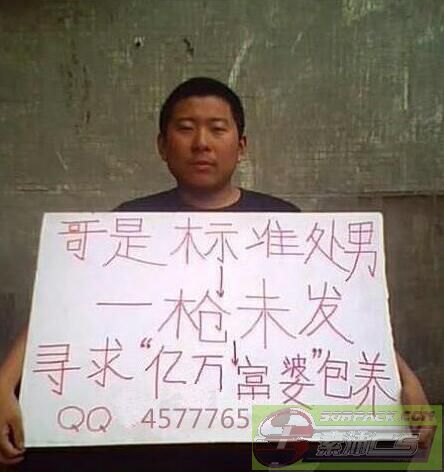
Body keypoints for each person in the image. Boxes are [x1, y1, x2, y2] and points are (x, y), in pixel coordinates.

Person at [0, 77, 431, 468]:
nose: (201, 143)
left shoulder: (284, 223)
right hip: (157, 434)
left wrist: (404, 379)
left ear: (240, 145)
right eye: (186, 128)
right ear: (162, 145)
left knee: (378, 458)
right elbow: (64, 310)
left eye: (217, 129)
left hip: (255, 439)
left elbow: (332, 318)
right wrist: (3, 385)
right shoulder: (127, 225)